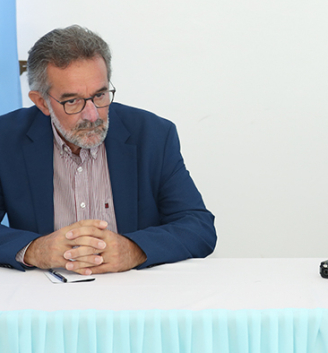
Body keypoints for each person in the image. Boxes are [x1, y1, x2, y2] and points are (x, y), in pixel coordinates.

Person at [0, 25, 217, 274]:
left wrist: (135, 250)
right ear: (42, 102)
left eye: (100, 95)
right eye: (72, 101)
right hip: (45, 295)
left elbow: (198, 227)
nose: (92, 115)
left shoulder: (153, 135)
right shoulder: (6, 139)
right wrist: (35, 250)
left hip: (134, 292)